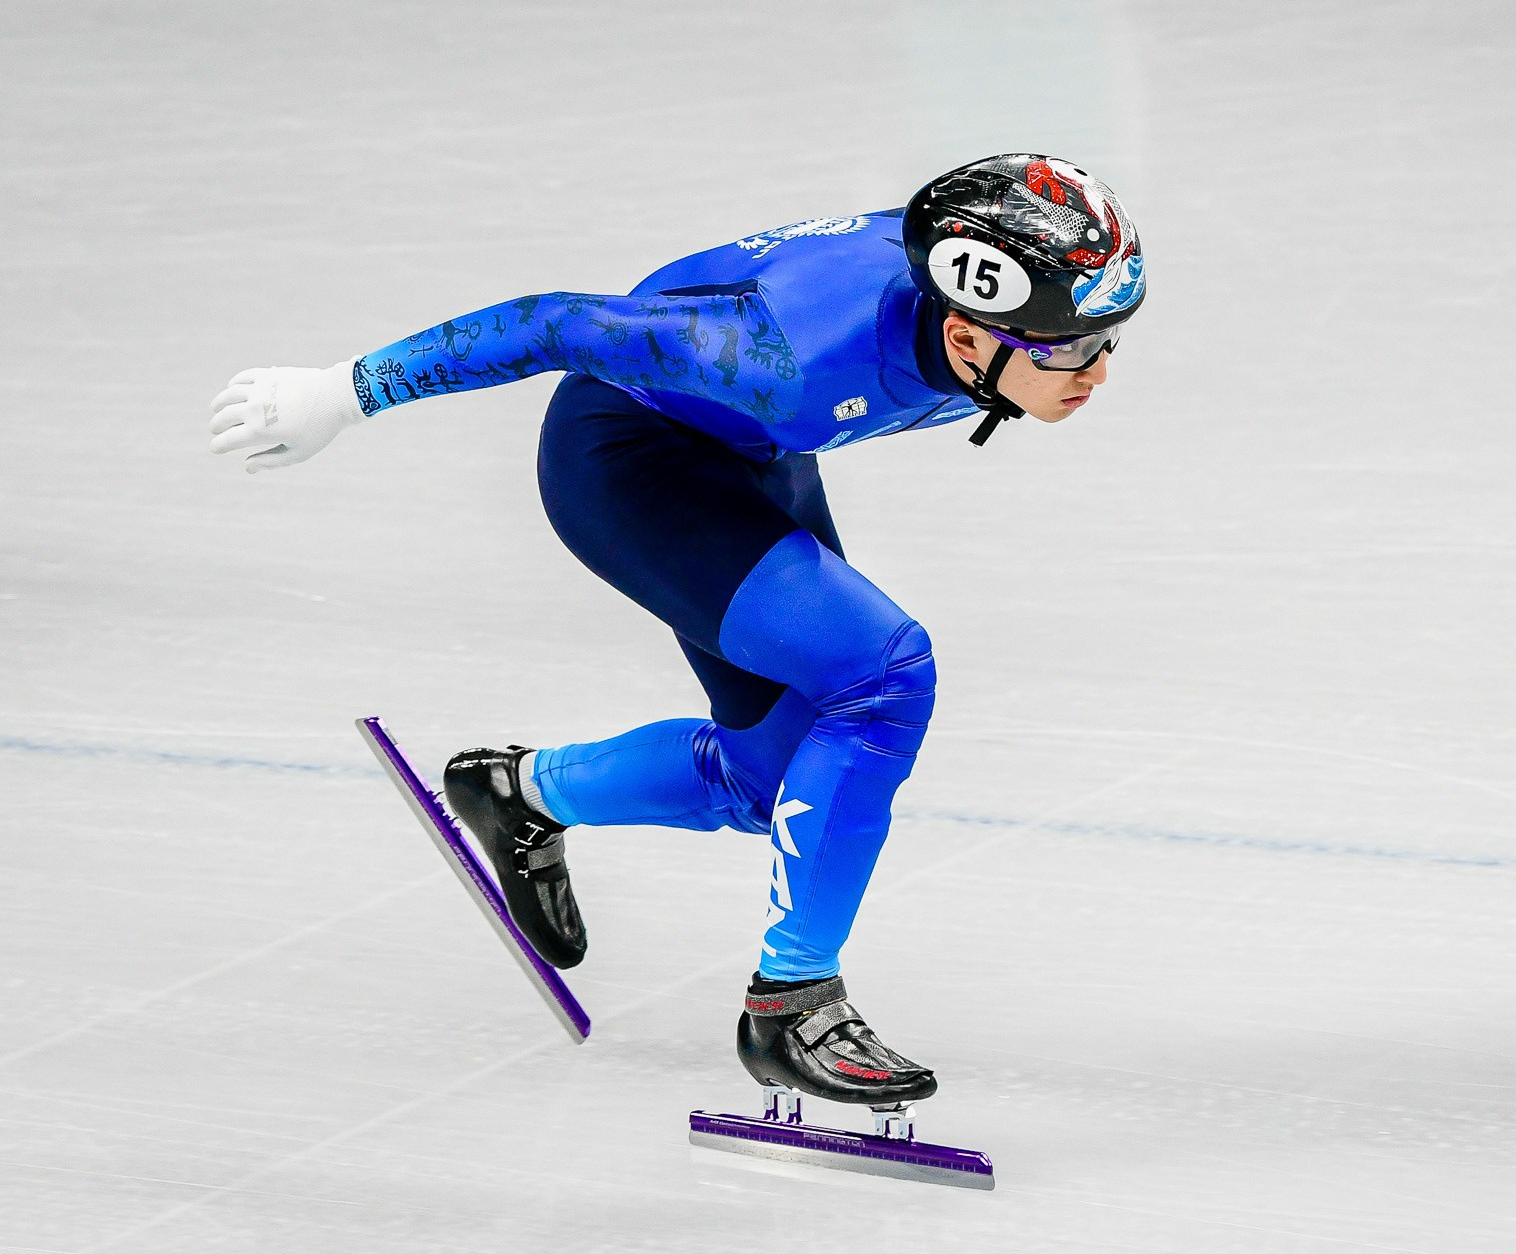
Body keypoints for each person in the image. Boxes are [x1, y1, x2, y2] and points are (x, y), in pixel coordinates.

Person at [207, 153, 1146, 1109]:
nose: (1098, 371)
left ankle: (520, 793)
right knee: (884, 674)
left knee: (772, 781)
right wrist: (342, 391)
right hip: (629, 463)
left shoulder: (977, 292)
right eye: (1071, 348)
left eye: (1108, 337)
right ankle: (793, 1007)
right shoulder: (784, 356)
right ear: (964, 331)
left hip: (748, 451)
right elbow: (554, 322)